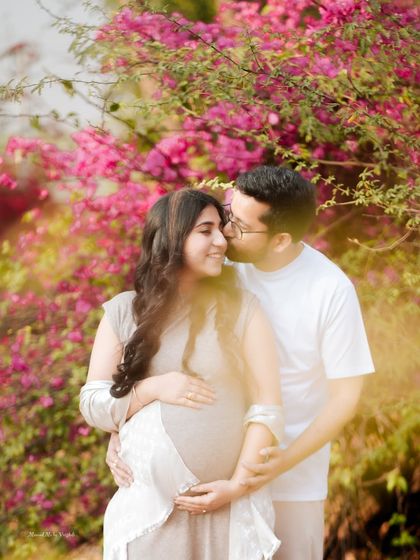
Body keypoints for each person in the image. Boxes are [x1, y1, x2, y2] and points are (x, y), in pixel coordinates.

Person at [107, 166, 375, 559]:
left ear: (280, 240)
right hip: (212, 483)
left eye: (240, 227)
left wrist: (278, 464)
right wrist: (121, 430)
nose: (226, 233)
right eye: (229, 214)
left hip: (290, 483)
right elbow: (157, 353)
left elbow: (346, 397)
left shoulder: (329, 290)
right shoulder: (219, 268)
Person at [79, 188, 284, 560]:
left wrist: (237, 486)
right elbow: (93, 403)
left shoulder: (242, 309)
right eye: (206, 231)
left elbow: (267, 408)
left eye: (221, 229)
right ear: (172, 238)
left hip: (225, 510)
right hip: (149, 519)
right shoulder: (124, 311)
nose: (221, 240)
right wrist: (153, 389)